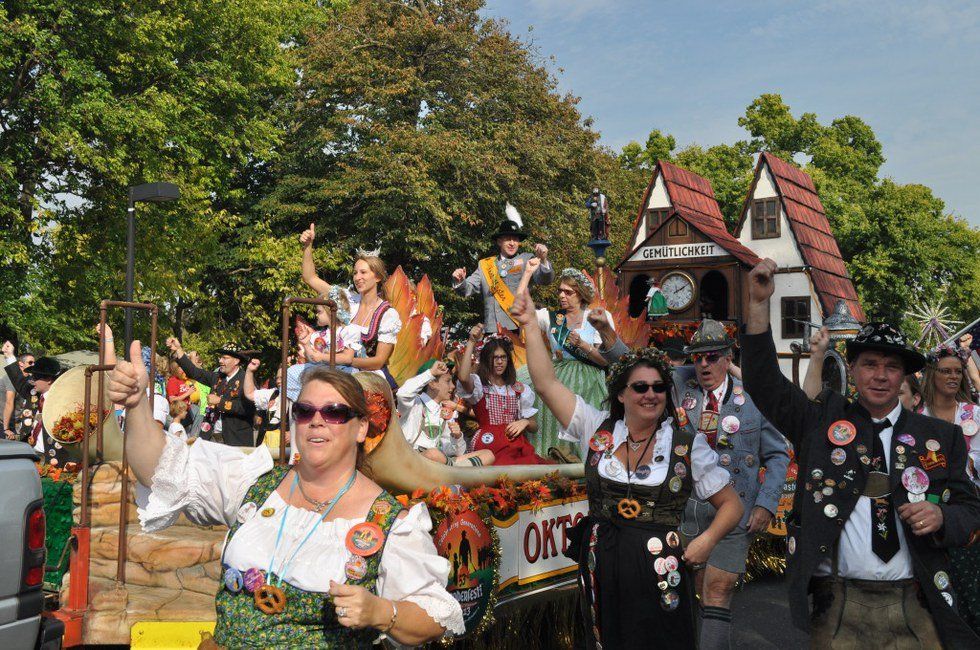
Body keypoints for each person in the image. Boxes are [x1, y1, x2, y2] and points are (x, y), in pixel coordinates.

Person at [108, 341, 464, 646]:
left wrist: (382, 612)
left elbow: (438, 616)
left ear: (361, 428)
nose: (317, 421)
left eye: (336, 412)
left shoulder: (389, 522)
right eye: (305, 411)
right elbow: (161, 471)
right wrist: (138, 404)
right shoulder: (255, 482)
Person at [741, 258, 980, 648]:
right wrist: (757, 305)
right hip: (839, 605)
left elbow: (971, 513)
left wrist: (941, 515)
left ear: (905, 376)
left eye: (891, 366)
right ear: (852, 370)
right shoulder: (821, 424)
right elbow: (764, 383)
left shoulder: (942, 436)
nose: (881, 375)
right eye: (869, 364)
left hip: (917, 603)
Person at [512, 288, 742, 649]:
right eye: (640, 387)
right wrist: (529, 325)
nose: (651, 394)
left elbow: (732, 505)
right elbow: (545, 383)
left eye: (658, 387)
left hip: (660, 567)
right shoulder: (598, 428)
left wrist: (705, 541)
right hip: (602, 563)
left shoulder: (684, 442)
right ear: (621, 393)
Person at [673, 319, 790, 649]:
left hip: (735, 510)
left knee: (719, 590)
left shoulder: (753, 399)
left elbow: (779, 454)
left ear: (728, 358)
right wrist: (609, 338)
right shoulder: (680, 389)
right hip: (686, 509)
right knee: (690, 588)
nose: (704, 364)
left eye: (712, 356)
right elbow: (637, 368)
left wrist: (767, 502)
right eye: (697, 358)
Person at [517, 268, 613, 459]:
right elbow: (520, 309)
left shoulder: (597, 317)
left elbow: (606, 359)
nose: (562, 295)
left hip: (590, 378)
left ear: (581, 295)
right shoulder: (551, 317)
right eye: (560, 291)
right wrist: (527, 273)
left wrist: (583, 346)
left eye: (568, 292)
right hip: (557, 373)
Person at [920, 344, 980, 635]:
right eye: (946, 371)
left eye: (958, 371)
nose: (953, 376)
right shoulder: (917, 417)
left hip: (970, 509)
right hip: (929, 512)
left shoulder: (975, 415)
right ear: (932, 374)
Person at [300, 225, 402, 389]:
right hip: (336, 368)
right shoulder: (347, 299)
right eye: (355, 273)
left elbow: (378, 361)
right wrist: (308, 246)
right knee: (296, 376)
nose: (357, 277)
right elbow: (310, 278)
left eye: (363, 272)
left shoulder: (388, 314)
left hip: (368, 376)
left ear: (377, 277)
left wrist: (337, 359)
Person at [457, 325, 547, 465]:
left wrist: (525, 422)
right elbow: (463, 378)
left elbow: (534, 427)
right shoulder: (480, 386)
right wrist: (471, 341)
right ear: (487, 360)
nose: (499, 362)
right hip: (489, 443)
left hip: (515, 444)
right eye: (495, 358)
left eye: (503, 357)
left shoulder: (518, 389)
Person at [451, 210, 553, 332]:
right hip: (492, 328)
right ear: (499, 241)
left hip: (518, 327)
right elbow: (467, 289)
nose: (512, 243)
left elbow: (545, 279)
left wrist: (543, 260)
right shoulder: (485, 264)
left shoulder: (527, 259)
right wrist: (459, 281)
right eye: (508, 239)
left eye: (515, 239)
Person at [396, 359, 493, 467]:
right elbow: (402, 393)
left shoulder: (445, 411)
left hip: (439, 462)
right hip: (411, 462)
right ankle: (455, 473)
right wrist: (431, 373)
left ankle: (453, 471)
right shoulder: (414, 403)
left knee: (487, 454)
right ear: (432, 383)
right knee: (433, 454)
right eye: (448, 381)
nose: (452, 386)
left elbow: (454, 451)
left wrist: (457, 437)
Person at [167, 337, 255, 446]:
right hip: (210, 437)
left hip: (235, 439)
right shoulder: (217, 377)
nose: (220, 361)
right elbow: (194, 372)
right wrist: (178, 349)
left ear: (236, 361)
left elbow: (248, 409)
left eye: (225, 358)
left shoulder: (246, 379)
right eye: (220, 357)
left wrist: (220, 402)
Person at [286, 287, 357, 402]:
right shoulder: (320, 334)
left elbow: (347, 358)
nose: (316, 315)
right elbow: (312, 358)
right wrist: (306, 345)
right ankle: (303, 404)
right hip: (321, 368)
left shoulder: (348, 330)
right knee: (290, 372)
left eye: (319, 311)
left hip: (342, 370)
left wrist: (322, 357)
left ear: (330, 312)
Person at [2, 340, 65, 461]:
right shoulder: (33, 394)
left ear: (49, 380)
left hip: (52, 456)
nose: (32, 379)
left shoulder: (61, 399)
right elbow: (18, 379)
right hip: (31, 451)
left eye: (36, 377)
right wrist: (9, 355)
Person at [3, 351, 35, 440]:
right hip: (4, 422)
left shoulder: (29, 379)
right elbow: (9, 402)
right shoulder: (11, 379)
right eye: (30, 362)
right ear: (21, 364)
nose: (33, 365)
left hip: (18, 422)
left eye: (34, 362)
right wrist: (6, 428)